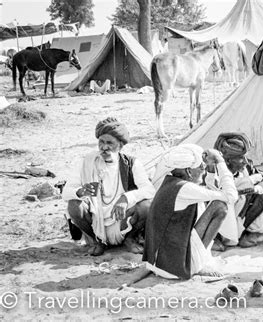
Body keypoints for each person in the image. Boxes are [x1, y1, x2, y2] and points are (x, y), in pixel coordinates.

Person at [143, 144, 238, 279]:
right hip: (172, 268)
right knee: (220, 206)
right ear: (188, 171)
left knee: (215, 201)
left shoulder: (173, 183)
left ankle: (199, 259)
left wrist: (211, 169)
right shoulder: (185, 189)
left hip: (159, 264)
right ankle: (198, 264)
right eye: (201, 168)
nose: (203, 171)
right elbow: (230, 196)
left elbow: (212, 190)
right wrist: (220, 162)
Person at [63, 117, 155, 256]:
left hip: (122, 218)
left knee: (146, 206)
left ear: (120, 145)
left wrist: (126, 198)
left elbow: (149, 190)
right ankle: (96, 241)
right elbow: (66, 193)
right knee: (74, 206)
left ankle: (130, 239)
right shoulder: (87, 162)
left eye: (110, 143)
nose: (104, 147)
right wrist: (80, 192)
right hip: (94, 220)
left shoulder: (132, 163)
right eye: (101, 142)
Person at [210, 132, 263, 249]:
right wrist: (244, 185)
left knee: (262, 193)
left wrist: (255, 188)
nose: (245, 161)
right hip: (222, 214)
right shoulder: (213, 172)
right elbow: (224, 189)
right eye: (241, 158)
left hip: (240, 215)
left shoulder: (247, 167)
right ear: (228, 161)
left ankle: (247, 233)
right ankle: (214, 238)